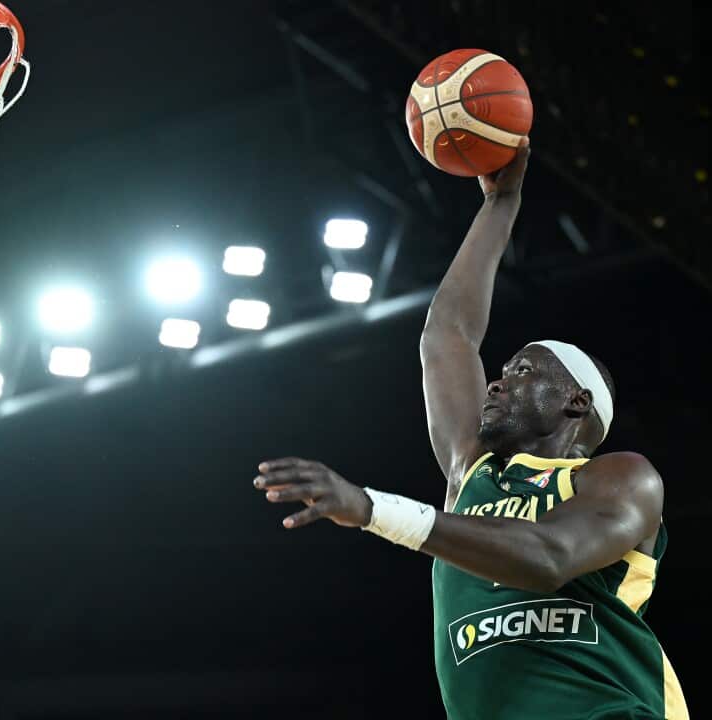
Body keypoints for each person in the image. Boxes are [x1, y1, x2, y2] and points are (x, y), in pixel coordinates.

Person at [252, 138, 688, 719]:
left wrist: (370, 509)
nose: (497, 382)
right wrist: (500, 204)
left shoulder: (622, 480)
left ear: (576, 403)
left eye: (524, 371)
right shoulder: (471, 470)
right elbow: (447, 336)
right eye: (502, 371)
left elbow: (548, 555)